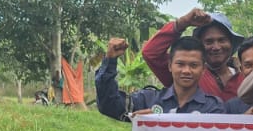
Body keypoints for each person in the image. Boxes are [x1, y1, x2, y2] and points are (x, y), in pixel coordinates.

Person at [96, 36, 225, 119]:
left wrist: (159, 124)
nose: (186, 71)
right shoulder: (147, 100)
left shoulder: (213, 108)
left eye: (194, 65)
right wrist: (110, 60)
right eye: (180, 64)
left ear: (203, 69)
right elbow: (109, 105)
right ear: (170, 66)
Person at [142, 7, 242, 101]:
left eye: (222, 40)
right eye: (209, 42)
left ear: (231, 43)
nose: (216, 47)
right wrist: (182, 23)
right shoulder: (187, 72)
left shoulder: (245, 74)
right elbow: (151, 53)